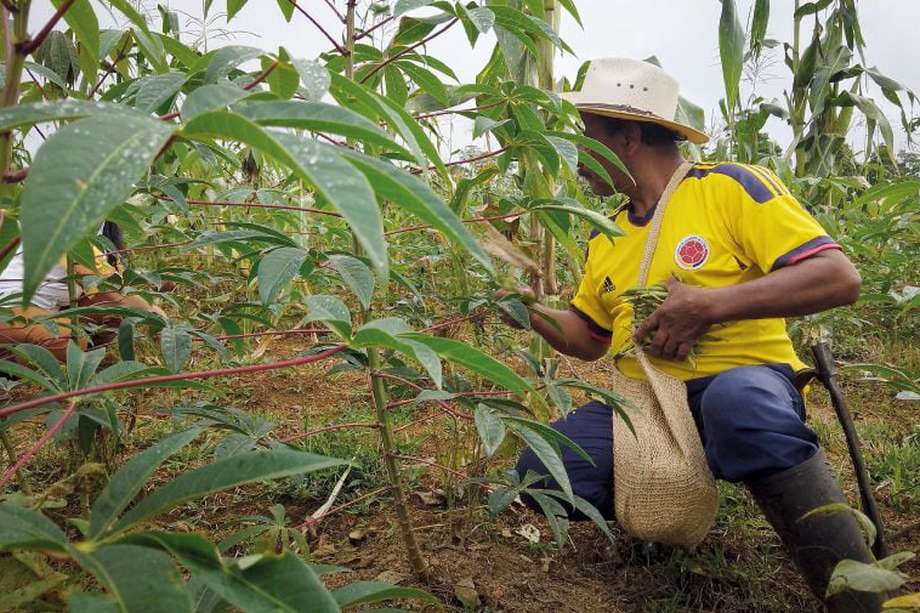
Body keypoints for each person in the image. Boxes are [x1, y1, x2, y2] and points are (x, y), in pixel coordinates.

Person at [504, 58, 879, 612]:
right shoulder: (605, 234)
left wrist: (709, 305)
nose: (576, 158)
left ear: (627, 136)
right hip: (647, 400)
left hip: (743, 380)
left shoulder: (726, 188)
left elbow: (837, 277)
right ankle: (664, 517)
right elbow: (588, 336)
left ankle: (859, 595)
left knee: (739, 406)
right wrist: (522, 306)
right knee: (543, 469)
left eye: (586, 138)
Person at [0, 223, 165, 362]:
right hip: (11, 305)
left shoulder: (104, 226)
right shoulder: (62, 218)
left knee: (115, 311)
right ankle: (15, 370)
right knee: (70, 341)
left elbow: (118, 281)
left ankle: (83, 364)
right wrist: (156, 316)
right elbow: (104, 283)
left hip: (53, 310)